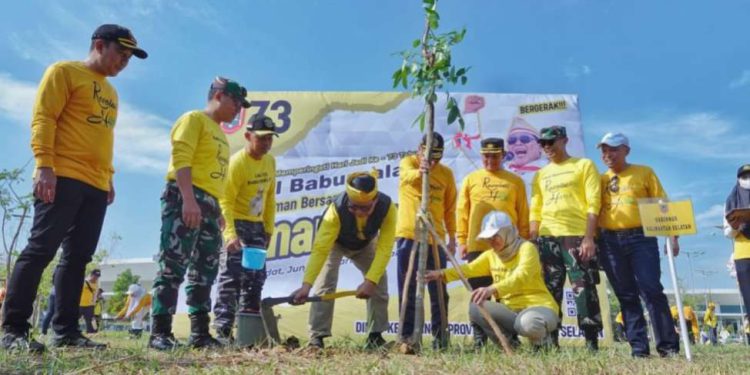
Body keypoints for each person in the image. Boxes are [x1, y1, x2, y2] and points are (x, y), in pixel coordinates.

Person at [1, 24, 146, 353]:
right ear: (99, 44)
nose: (124, 62)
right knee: (40, 250)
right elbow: (44, 118)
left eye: (129, 58)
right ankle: (13, 330)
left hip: (95, 184)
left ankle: (65, 332)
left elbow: (102, 137)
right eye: (120, 54)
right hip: (62, 175)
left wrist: (108, 176)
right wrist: (44, 165)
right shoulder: (63, 72)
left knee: (78, 257)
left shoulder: (111, 92)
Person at [149, 76, 249, 351]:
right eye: (236, 102)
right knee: (173, 265)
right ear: (218, 96)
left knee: (205, 270)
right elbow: (182, 159)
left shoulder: (220, 134)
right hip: (184, 196)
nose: (238, 109)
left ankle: (200, 333)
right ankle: (160, 332)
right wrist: (189, 199)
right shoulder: (193, 119)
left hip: (209, 204)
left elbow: (215, 177)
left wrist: (216, 210)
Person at [596, 132, 680, 357]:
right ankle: (639, 349)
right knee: (625, 294)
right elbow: (593, 211)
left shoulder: (644, 172)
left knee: (651, 289)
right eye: (604, 150)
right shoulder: (600, 180)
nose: (608, 154)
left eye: (613, 149)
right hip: (609, 241)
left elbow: (662, 203)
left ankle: (668, 347)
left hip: (641, 237)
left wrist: (672, 236)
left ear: (627, 150)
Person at [291, 171, 395, 350]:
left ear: (375, 201)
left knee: (379, 279)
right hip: (336, 243)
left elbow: (385, 249)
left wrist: (370, 281)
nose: (359, 213)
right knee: (325, 282)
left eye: (365, 208)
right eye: (354, 207)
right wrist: (306, 285)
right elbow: (321, 249)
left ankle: (375, 336)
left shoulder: (387, 208)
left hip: (365, 243)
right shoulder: (335, 210)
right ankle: (317, 337)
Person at [426, 211, 559, 350]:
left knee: (527, 323)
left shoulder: (527, 248)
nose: (491, 241)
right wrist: (440, 274)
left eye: (495, 236)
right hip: (512, 311)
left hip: (539, 307)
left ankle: (543, 346)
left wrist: (492, 289)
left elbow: (522, 276)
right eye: (488, 238)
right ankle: (510, 347)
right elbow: (469, 269)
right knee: (476, 307)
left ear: (507, 232)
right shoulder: (491, 255)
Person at [529, 126, 603, 351]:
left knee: (584, 289)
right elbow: (535, 209)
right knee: (550, 291)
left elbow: (594, 202)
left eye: (551, 142)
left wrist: (589, 238)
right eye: (542, 143)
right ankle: (551, 341)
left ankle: (591, 342)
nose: (546, 147)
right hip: (547, 239)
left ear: (565, 141)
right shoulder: (540, 174)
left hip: (577, 236)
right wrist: (534, 241)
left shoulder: (584, 165)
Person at [456, 137, 529, 348]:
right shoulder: (471, 180)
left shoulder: (515, 181)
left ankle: (509, 339)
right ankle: (479, 341)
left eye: (495, 155)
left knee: (505, 294)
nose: (490, 160)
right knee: (477, 294)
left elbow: (523, 213)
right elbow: (462, 212)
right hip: (477, 247)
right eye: (486, 156)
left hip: (507, 248)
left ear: (503, 155)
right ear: (481, 156)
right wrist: (462, 240)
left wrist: (524, 241)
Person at [212, 114, 278, 342]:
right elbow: (225, 201)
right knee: (231, 276)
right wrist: (230, 234)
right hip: (236, 224)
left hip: (257, 227)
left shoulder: (270, 162)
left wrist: (268, 229)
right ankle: (222, 332)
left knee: (255, 277)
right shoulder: (237, 163)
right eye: (261, 138)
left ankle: (247, 334)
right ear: (248, 136)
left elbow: (270, 198)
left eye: (270, 138)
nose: (266, 143)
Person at [396, 133, 457, 349]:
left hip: (436, 238)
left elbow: (450, 210)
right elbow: (405, 177)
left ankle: (441, 339)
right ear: (419, 149)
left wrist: (452, 237)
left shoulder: (446, 174)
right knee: (408, 288)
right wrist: (420, 171)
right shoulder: (408, 163)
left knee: (439, 290)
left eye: (437, 158)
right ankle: (408, 338)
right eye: (429, 155)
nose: (433, 162)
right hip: (410, 235)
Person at [725, 164, 750, 329]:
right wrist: (735, 226)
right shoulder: (731, 200)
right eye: (744, 177)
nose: (747, 180)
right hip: (743, 252)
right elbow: (727, 232)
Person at [504, 117, 544, 182]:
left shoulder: (549, 171)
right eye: (512, 140)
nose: (518, 143)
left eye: (525, 139)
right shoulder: (502, 171)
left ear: (540, 147)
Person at [79, 269, 101, 334]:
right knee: (74, 319)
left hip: (89, 305)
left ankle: (91, 331)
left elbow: (95, 294)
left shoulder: (96, 284)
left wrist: (93, 303)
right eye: (95, 276)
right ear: (91, 275)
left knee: (91, 320)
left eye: (97, 277)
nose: (96, 278)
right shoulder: (84, 282)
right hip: (79, 305)